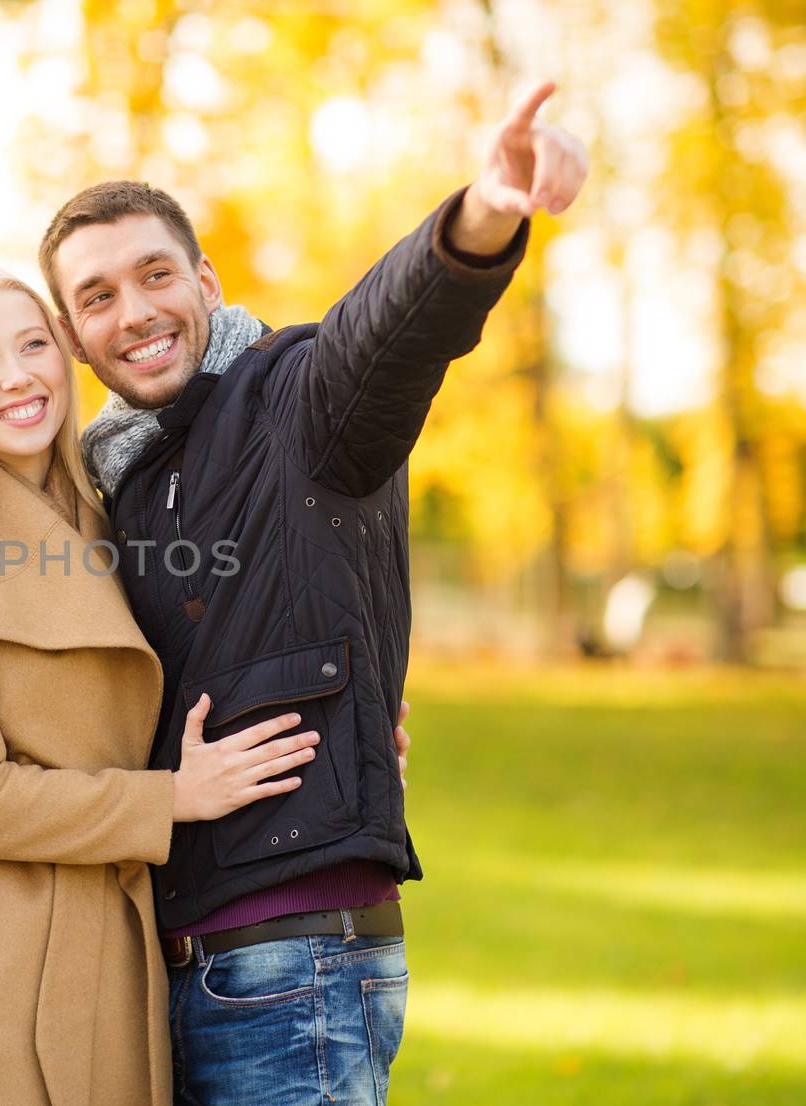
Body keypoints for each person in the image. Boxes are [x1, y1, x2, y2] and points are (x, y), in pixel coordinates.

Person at [30, 82, 589, 1103]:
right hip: (183, 964)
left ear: (204, 279)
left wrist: (484, 210)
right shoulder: (112, 483)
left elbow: (392, 331)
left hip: (294, 963)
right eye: (97, 295)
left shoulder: (298, 398)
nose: (135, 311)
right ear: (73, 335)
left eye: (155, 274)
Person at [0, 268, 326, 1104]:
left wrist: (349, 729)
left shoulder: (113, 519)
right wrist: (168, 800)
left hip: (118, 942)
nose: (17, 377)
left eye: (34, 344)